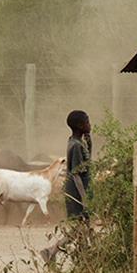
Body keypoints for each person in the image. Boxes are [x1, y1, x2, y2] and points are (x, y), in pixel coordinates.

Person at [40, 110, 92, 263]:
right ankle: (51, 251)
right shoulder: (75, 146)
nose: (90, 124)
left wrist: (90, 143)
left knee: (83, 226)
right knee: (80, 227)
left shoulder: (78, 142)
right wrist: (84, 199)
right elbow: (76, 174)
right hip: (76, 191)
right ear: (79, 125)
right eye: (87, 122)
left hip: (80, 190)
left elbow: (87, 164)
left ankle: (84, 260)